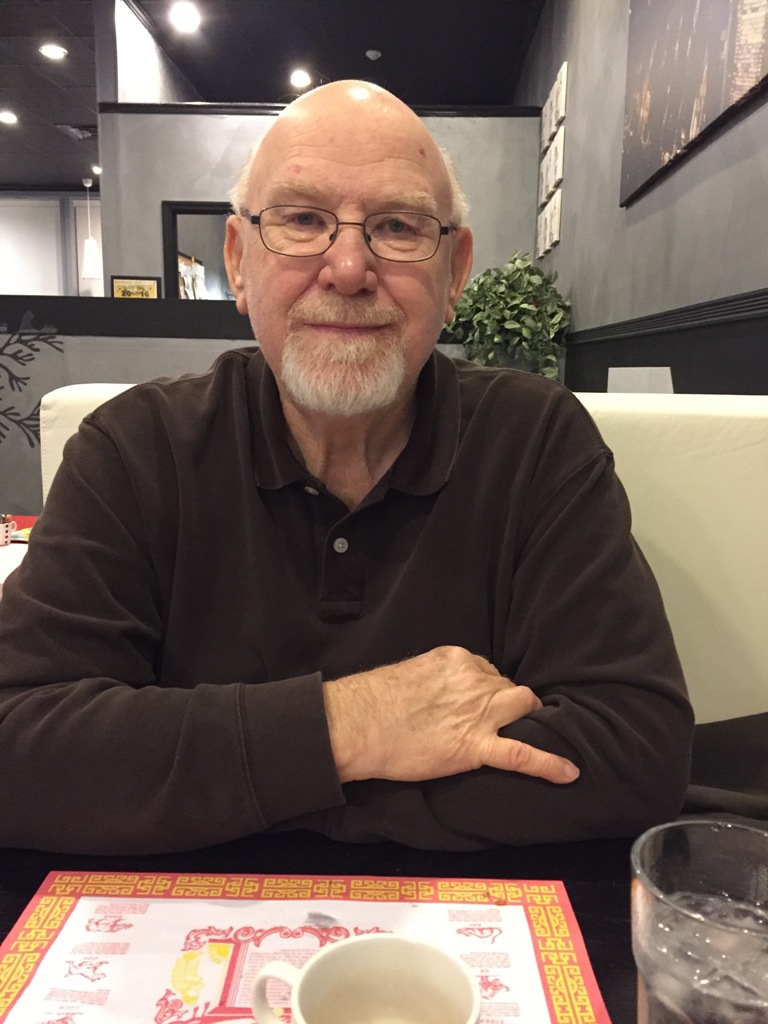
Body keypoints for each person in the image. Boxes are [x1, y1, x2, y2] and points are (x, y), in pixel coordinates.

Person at [0, 81, 693, 855]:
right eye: (302, 220)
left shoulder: (535, 441)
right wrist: (354, 725)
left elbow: (633, 754)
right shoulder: (134, 447)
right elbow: (19, 744)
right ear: (238, 260)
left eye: (398, 226)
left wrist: (231, 780)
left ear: (456, 272)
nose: (349, 266)